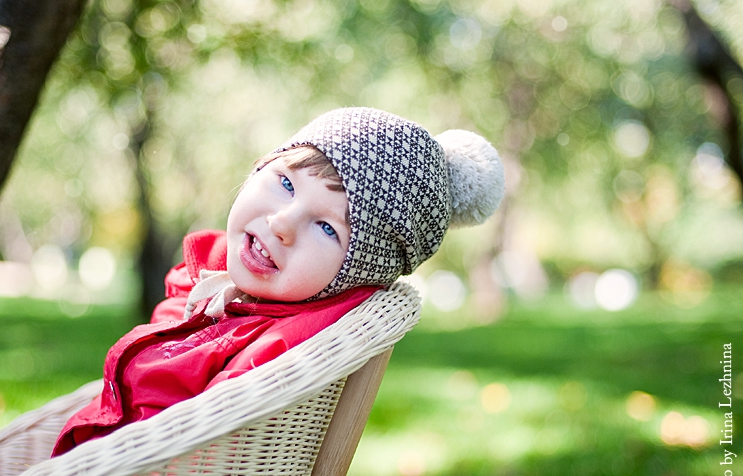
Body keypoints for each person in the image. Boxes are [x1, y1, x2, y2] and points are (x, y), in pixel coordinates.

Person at [51, 106, 506, 457]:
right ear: (259, 167)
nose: (283, 222)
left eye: (327, 228)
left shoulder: (276, 352)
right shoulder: (215, 288)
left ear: (352, 276)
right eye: (286, 183)